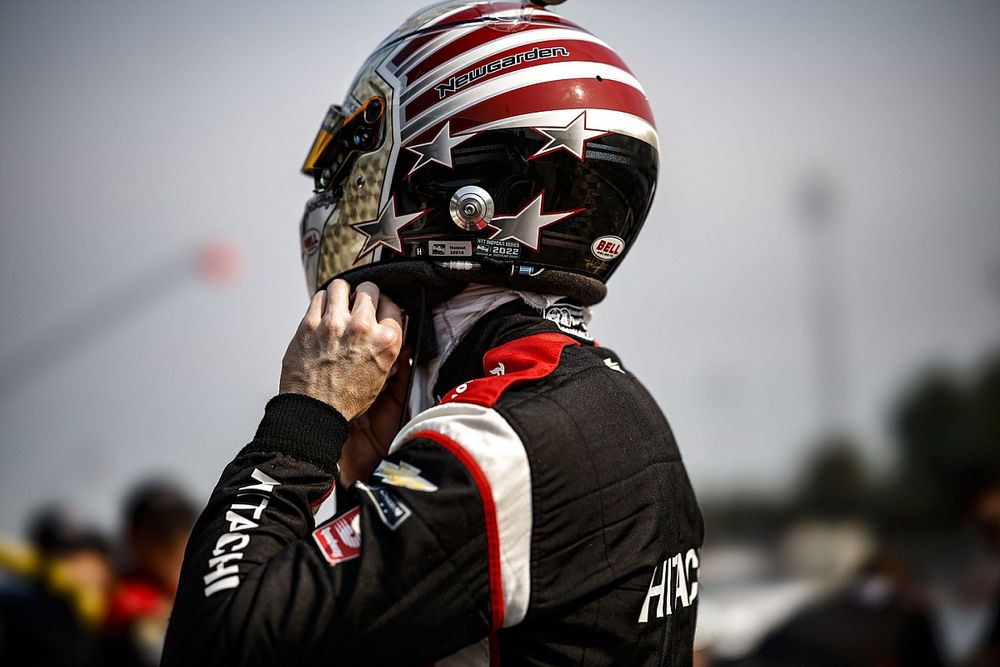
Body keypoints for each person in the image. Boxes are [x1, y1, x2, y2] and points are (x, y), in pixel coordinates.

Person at [163, 1, 703, 665]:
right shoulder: (602, 399)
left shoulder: (498, 444)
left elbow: (214, 644)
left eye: (362, 171)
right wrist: (369, 479)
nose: (344, 204)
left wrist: (304, 422)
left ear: (467, 200)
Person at [102, 480, 196, 666]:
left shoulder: (202, 578)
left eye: (180, 528)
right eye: (160, 533)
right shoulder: (124, 597)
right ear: (133, 540)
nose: (172, 541)